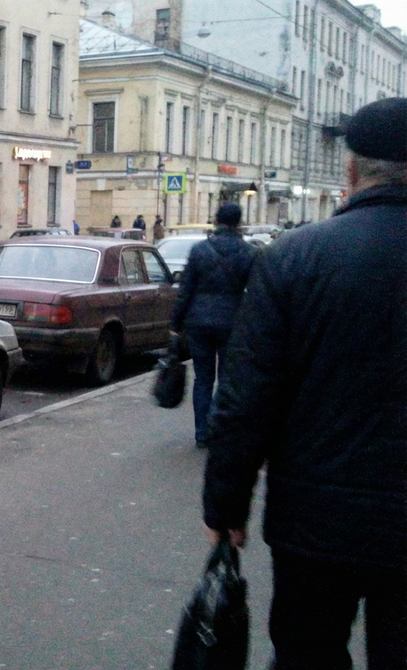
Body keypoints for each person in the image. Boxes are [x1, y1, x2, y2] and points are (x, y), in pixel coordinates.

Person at [201, 97, 407, 669]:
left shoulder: (295, 257)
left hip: (315, 521)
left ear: (351, 171)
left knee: (308, 655)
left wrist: (226, 507)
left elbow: (246, 400)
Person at [169, 202, 255, 449]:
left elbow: (185, 290)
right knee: (227, 378)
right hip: (232, 323)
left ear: (216, 221)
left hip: (199, 322)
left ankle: (201, 433)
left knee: (203, 378)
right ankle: (216, 425)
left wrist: (175, 323)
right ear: (239, 223)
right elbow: (256, 294)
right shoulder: (249, 253)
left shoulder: (199, 250)